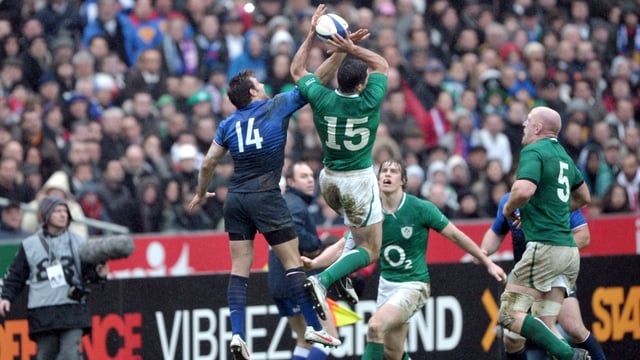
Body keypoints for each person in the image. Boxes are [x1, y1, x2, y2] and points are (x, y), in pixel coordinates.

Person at [188, 5, 361, 358]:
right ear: (252, 93)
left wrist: (200, 192)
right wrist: (340, 50)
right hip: (267, 197)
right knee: (293, 264)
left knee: (239, 270)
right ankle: (316, 328)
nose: (263, 85)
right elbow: (312, 81)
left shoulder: (228, 124)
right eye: (258, 84)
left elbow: (207, 162)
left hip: (235, 199)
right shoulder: (276, 106)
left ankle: (237, 335)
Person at [302, 159, 506, 360]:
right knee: (393, 353)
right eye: (384, 171)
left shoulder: (420, 208)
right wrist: (315, 263)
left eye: (393, 171)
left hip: (413, 285)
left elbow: (455, 235)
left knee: (374, 327)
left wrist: (487, 262)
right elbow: (342, 246)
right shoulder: (371, 213)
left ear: (403, 181)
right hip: (386, 286)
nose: (387, 175)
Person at [290, 3, 388, 321]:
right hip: (357, 180)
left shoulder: (322, 97)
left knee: (353, 234)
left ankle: (341, 278)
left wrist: (310, 34)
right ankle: (324, 280)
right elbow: (382, 64)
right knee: (371, 249)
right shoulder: (369, 99)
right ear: (361, 85)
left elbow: (296, 72)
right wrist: (352, 47)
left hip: (329, 180)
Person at [498, 106, 592, 360]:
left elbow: (522, 191)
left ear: (538, 128)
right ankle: (567, 354)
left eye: (528, 121)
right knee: (546, 324)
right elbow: (584, 196)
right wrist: (556, 208)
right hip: (569, 252)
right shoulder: (564, 155)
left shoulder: (533, 150)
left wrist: (509, 210)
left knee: (507, 315)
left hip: (545, 248)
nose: (524, 126)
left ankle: (570, 354)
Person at [481, 192, 607, 360]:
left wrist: (552, 255)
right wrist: (482, 253)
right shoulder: (509, 201)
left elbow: (583, 236)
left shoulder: (558, 198)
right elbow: (496, 231)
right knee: (512, 339)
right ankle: (570, 355)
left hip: (555, 271)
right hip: (525, 275)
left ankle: (571, 355)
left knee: (573, 327)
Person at [0, 196, 108, 360]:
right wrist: (6, 297)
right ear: (45, 215)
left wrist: (99, 273)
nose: (63, 215)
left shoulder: (80, 242)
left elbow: (89, 274)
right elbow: (16, 276)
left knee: (69, 354)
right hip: (43, 311)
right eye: (57, 211)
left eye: (65, 211)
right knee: (45, 355)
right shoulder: (30, 245)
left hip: (72, 308)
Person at [269, 161, 351, 360]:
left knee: (304, 340)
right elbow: (293, 231)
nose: (310, 181)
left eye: (311, 176)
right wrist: (315, 243)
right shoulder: (294, 204)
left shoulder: (285, 203)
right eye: (303, 176)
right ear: (290, 181)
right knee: (328, 337)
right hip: (297, 281)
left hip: (279, 282)